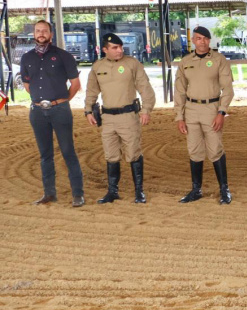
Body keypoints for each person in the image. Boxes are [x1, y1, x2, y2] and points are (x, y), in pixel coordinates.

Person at [19, 19, 85, 207]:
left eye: (45, 31)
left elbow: (75, 84)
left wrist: (61, 102)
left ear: (51, 34)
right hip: (38, 111)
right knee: (45, 154)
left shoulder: (64, 56)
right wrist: (42, 100)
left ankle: (78, 194)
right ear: (34, 34)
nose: (41, 34)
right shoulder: (27, 58)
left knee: (67, 151)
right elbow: (27, 85)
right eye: (38, 31)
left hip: (60, 110)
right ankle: (49, 193)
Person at [85, 33, 156, 203]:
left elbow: (145, 88)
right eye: (114, 48)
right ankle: (112, 192)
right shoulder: (97, 67)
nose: (119, 50)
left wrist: (146, 109)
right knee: (111, 155)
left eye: (120, 47)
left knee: (133, 153)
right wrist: (88, 110)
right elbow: (92, 91)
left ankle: (139, 192)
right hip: (107, 117)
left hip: (128, 116)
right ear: (105, 49)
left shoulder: (132, 63)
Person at [174, 26, 235, 204]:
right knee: (194, 150)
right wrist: (179, 116)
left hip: (212, 109)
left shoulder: (218, 60)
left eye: (205, 39)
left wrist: (221, 112)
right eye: (199, 38)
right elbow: (179, 91)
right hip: (191, 110)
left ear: (209, 40)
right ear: (193, 40)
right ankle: (196, 189)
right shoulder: (185, 62)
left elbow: (228, 89)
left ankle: (224, 189)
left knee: (215, 149)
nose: (202, 41)